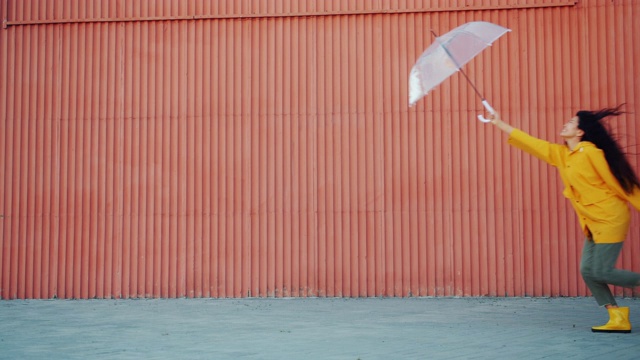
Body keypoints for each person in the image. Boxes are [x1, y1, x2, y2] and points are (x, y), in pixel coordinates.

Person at [489, 104, 640, 333]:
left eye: (571, 122)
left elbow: (620, 182)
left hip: (610, 218)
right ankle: (617, 317)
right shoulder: (562, 155)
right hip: (591, 222)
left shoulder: (590, 152)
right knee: (588, 271)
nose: (565, 124)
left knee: (601, 271)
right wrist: (499, 123)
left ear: (580, 132)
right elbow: (532, 143)